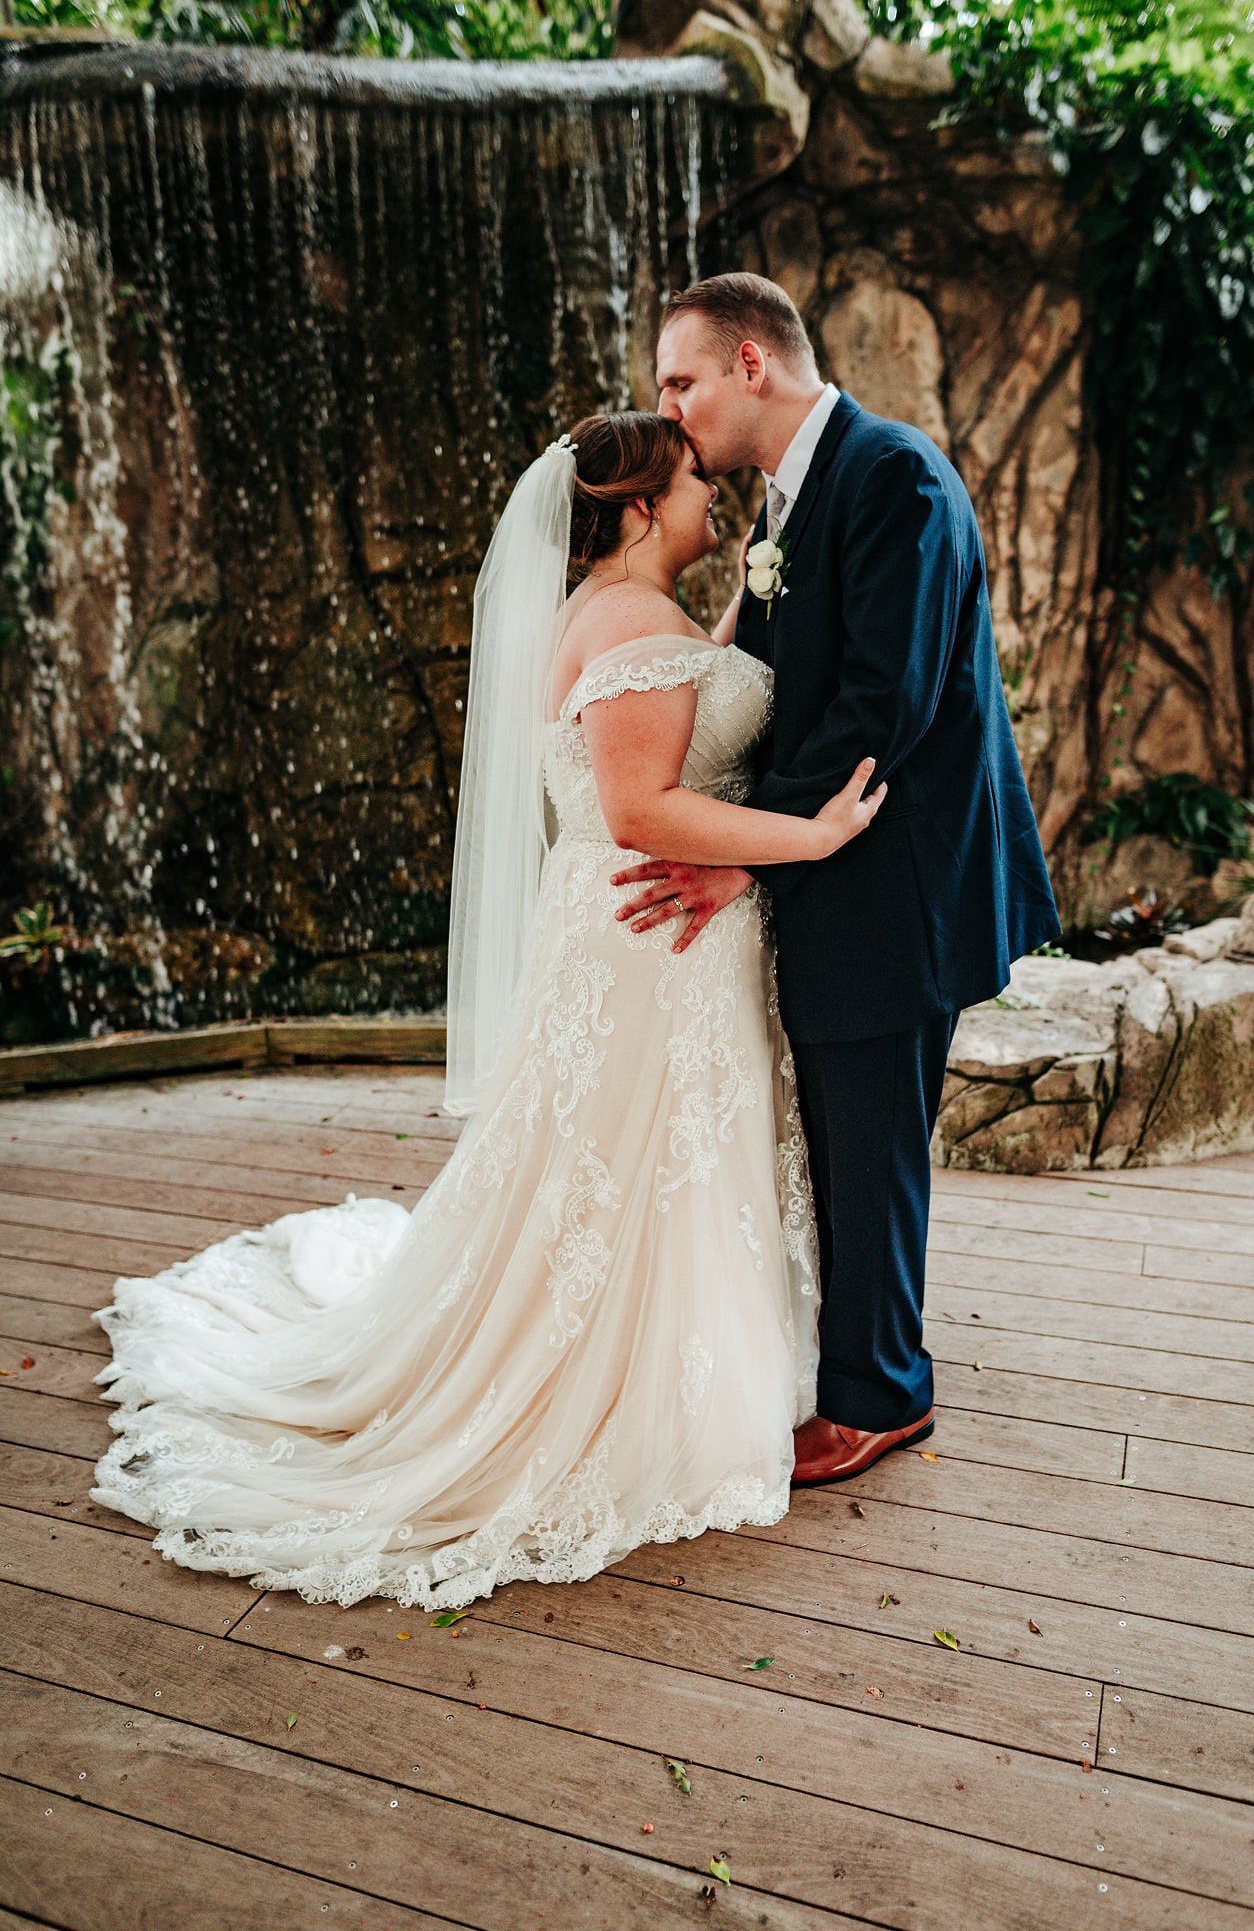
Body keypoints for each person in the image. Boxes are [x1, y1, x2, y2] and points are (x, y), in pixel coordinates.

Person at [87, 410, 885, 1611]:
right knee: (630, 1165)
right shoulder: (629, 622)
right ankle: (626, 1391)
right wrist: (808, 837)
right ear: (637, 509)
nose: (708, 497)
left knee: (620, 1169)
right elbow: (640, 808)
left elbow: (682, 701)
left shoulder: (619, 612)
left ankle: (658, 1360)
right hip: (651, 942)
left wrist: (740, 614)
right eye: (687, 484)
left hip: (631, 935)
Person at [612, 274, 1062, 1485]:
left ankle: (878, 1396)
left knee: (868, 1146)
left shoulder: (893, 477)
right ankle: (858, 1362)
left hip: (895, 882)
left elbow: (881, 703)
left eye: (680, 380)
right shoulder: (785, 501)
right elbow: (768, 687)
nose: (668, 406)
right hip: (831, 870)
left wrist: (736, 850)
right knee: (847, 1135)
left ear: (750, 363)